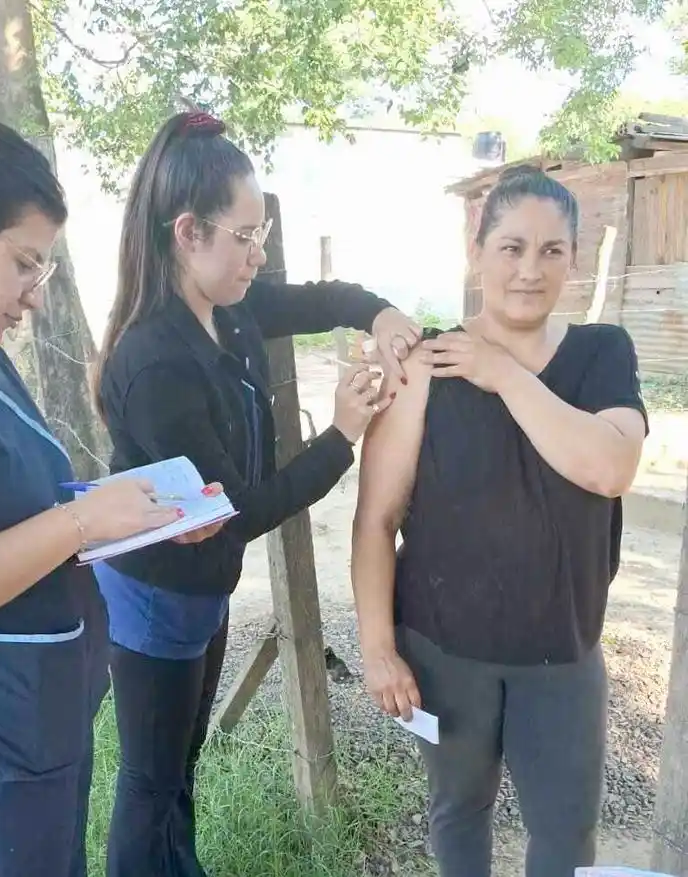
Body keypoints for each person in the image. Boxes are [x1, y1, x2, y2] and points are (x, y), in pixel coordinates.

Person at [0, 104, 217, 877]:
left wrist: (132, 514)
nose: (35, 292)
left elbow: (18, 510)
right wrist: (79, 521)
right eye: (24, 261)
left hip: (32, 722)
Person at [92, 109, 421, 877]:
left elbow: (317, 299)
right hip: (154, 595)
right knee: (150, 779)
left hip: (201, 590)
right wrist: (341, 436)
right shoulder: (158, 362)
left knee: (181, 761)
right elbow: (236, 511)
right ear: (187, 233)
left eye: (262, 233)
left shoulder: (227, 311)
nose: (257, 253)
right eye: (243, 236)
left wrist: (378, 309)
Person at [351, 166, 649, 877]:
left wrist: (505, 373)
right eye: (511, 247)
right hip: (445, 651)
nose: (529, 269)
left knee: (566, 837)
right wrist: (378, 647)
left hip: (563, 652)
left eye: (551, 251)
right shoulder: (427, 364)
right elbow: (375, 518)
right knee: (458, 810)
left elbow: (608, 467)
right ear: (476, 252)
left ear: (573, 260)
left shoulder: (603, 354)